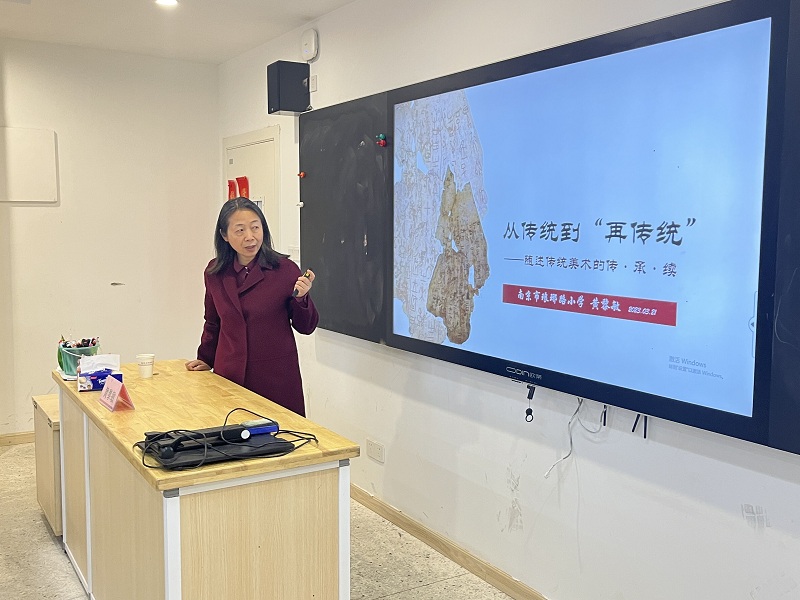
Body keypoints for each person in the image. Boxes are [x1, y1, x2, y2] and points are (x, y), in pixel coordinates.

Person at [185, 197, 318, 416]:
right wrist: (205, 358)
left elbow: (306, 327)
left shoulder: (284, 270)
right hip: (229, 378)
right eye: (240, 230)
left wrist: (302, 299)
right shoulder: (215, 273)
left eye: (255, 227)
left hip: (275, 380)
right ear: (224, 235)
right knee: (229, 433)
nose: (250, 237)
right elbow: (213, 322)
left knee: (281, 434)